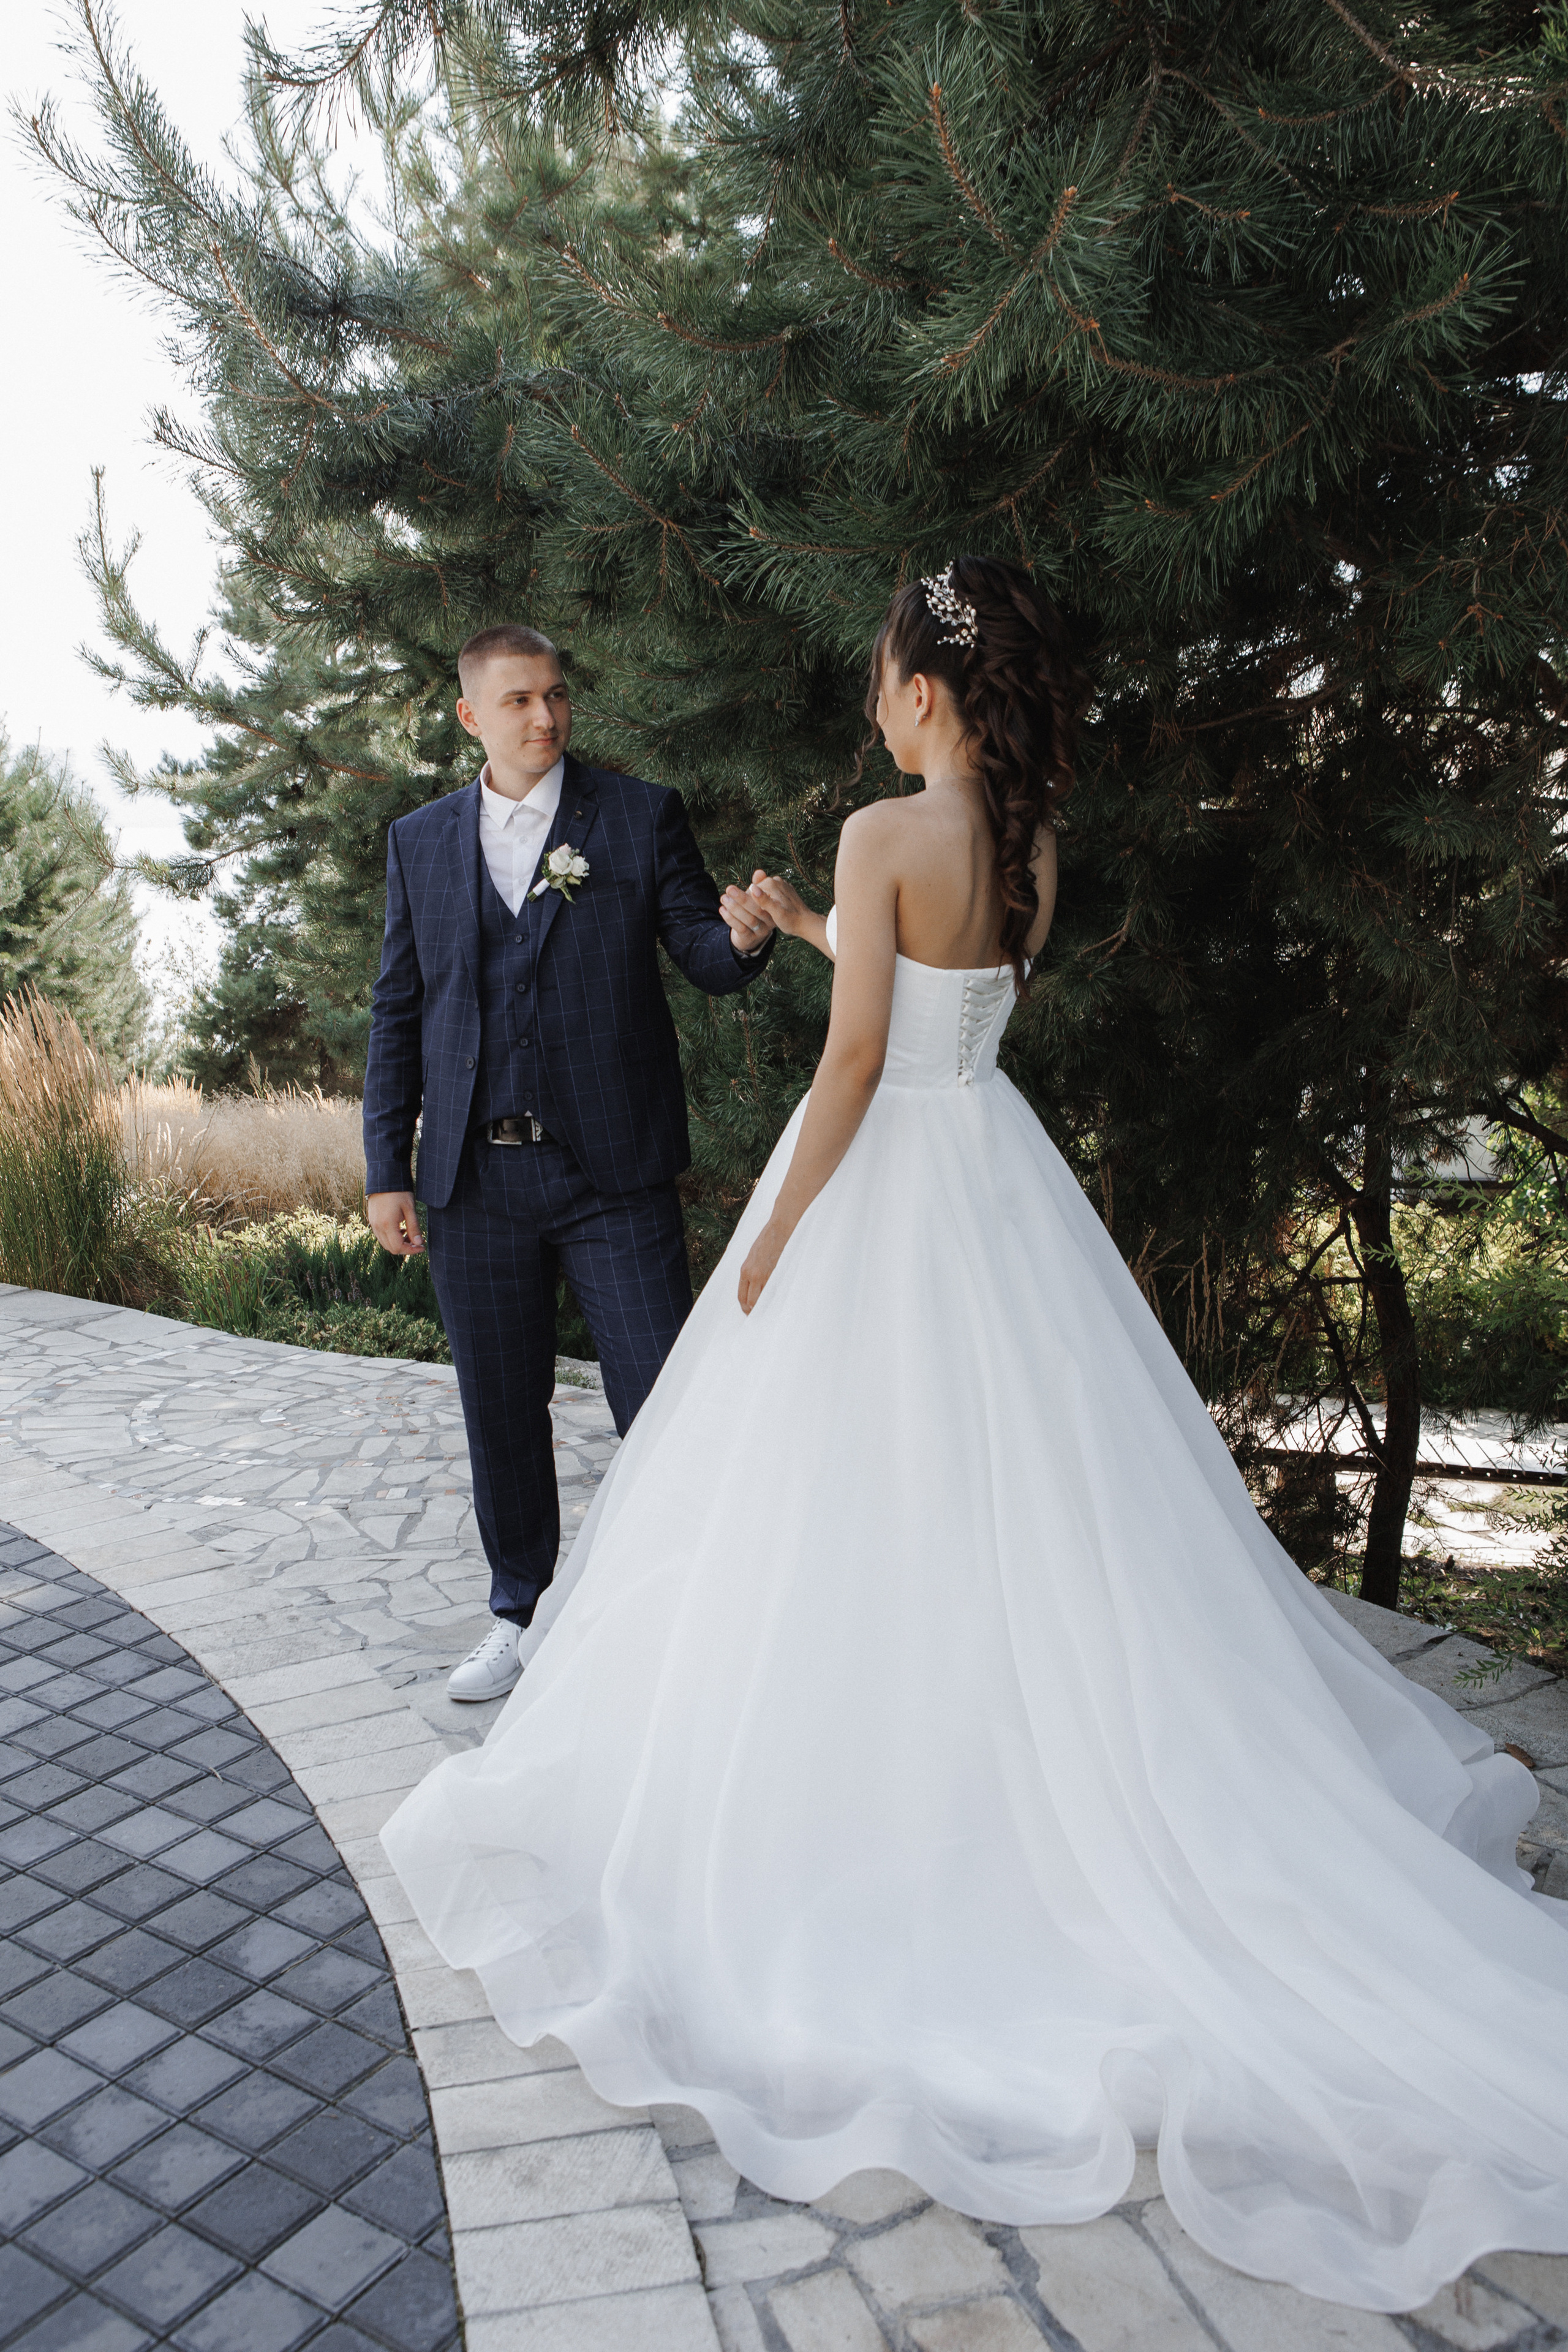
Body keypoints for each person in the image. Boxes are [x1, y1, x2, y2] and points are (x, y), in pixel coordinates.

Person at [380, 563, 1568, 2309]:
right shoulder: (1030, 847)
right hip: (998, 1188)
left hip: (878, 1192)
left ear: (928, 693)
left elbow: (859, 1064)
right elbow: (948, 1009)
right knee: (1023, 1511)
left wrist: (774, 1238)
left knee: (847, 1512)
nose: (875, 696)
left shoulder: (882, 832)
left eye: (884, 673)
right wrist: (792, 931)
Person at [363, 624, 775, 1700]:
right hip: (471, 1182)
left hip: (611, 1175)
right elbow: (398, 1011)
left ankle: (688, 1613)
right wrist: (384, 1168)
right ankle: (520, 1614)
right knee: (501, 1411)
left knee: (662, 1404)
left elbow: (702, 953)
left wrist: (740, 941)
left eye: (556, 696)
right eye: (518, 701)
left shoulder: (637, 816)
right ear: (470, 717)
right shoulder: (419, 841)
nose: (545, 717)